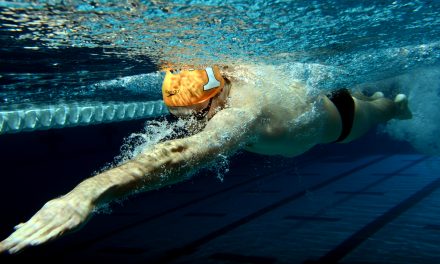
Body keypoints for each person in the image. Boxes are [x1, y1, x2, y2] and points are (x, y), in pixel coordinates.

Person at [0, 64, 412, 254]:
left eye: (199, 115)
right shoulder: (220, 72)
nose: (197, 124)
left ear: (217, 96)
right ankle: (375, 95)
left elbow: (184, 153)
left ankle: (393, 103)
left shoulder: (240, 111)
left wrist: (83, 195)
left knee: (380, 108)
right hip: (312, 102)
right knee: (364, 94)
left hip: (341, 121)